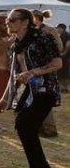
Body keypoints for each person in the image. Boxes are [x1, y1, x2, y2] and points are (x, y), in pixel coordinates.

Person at [0, 8, 62, 168]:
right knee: (24, 125)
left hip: (46, 89)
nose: (7, 23)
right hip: (30, 91)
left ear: (25, 22)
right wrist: (3, 99)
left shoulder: (42, 38)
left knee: (24, 123)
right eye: (7, 20)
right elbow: (14, 75)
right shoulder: (17, 44)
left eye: (12, 20)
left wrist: (33, 72)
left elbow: (57, 63)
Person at [33, 10, 63, 138]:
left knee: (44, 97)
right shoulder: (31, 30)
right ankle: (39, 126)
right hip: (33, 68)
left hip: (46, 68)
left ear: (37, 18)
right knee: (34, 98)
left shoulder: (50, 30)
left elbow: (59, 47)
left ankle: (50, 129)